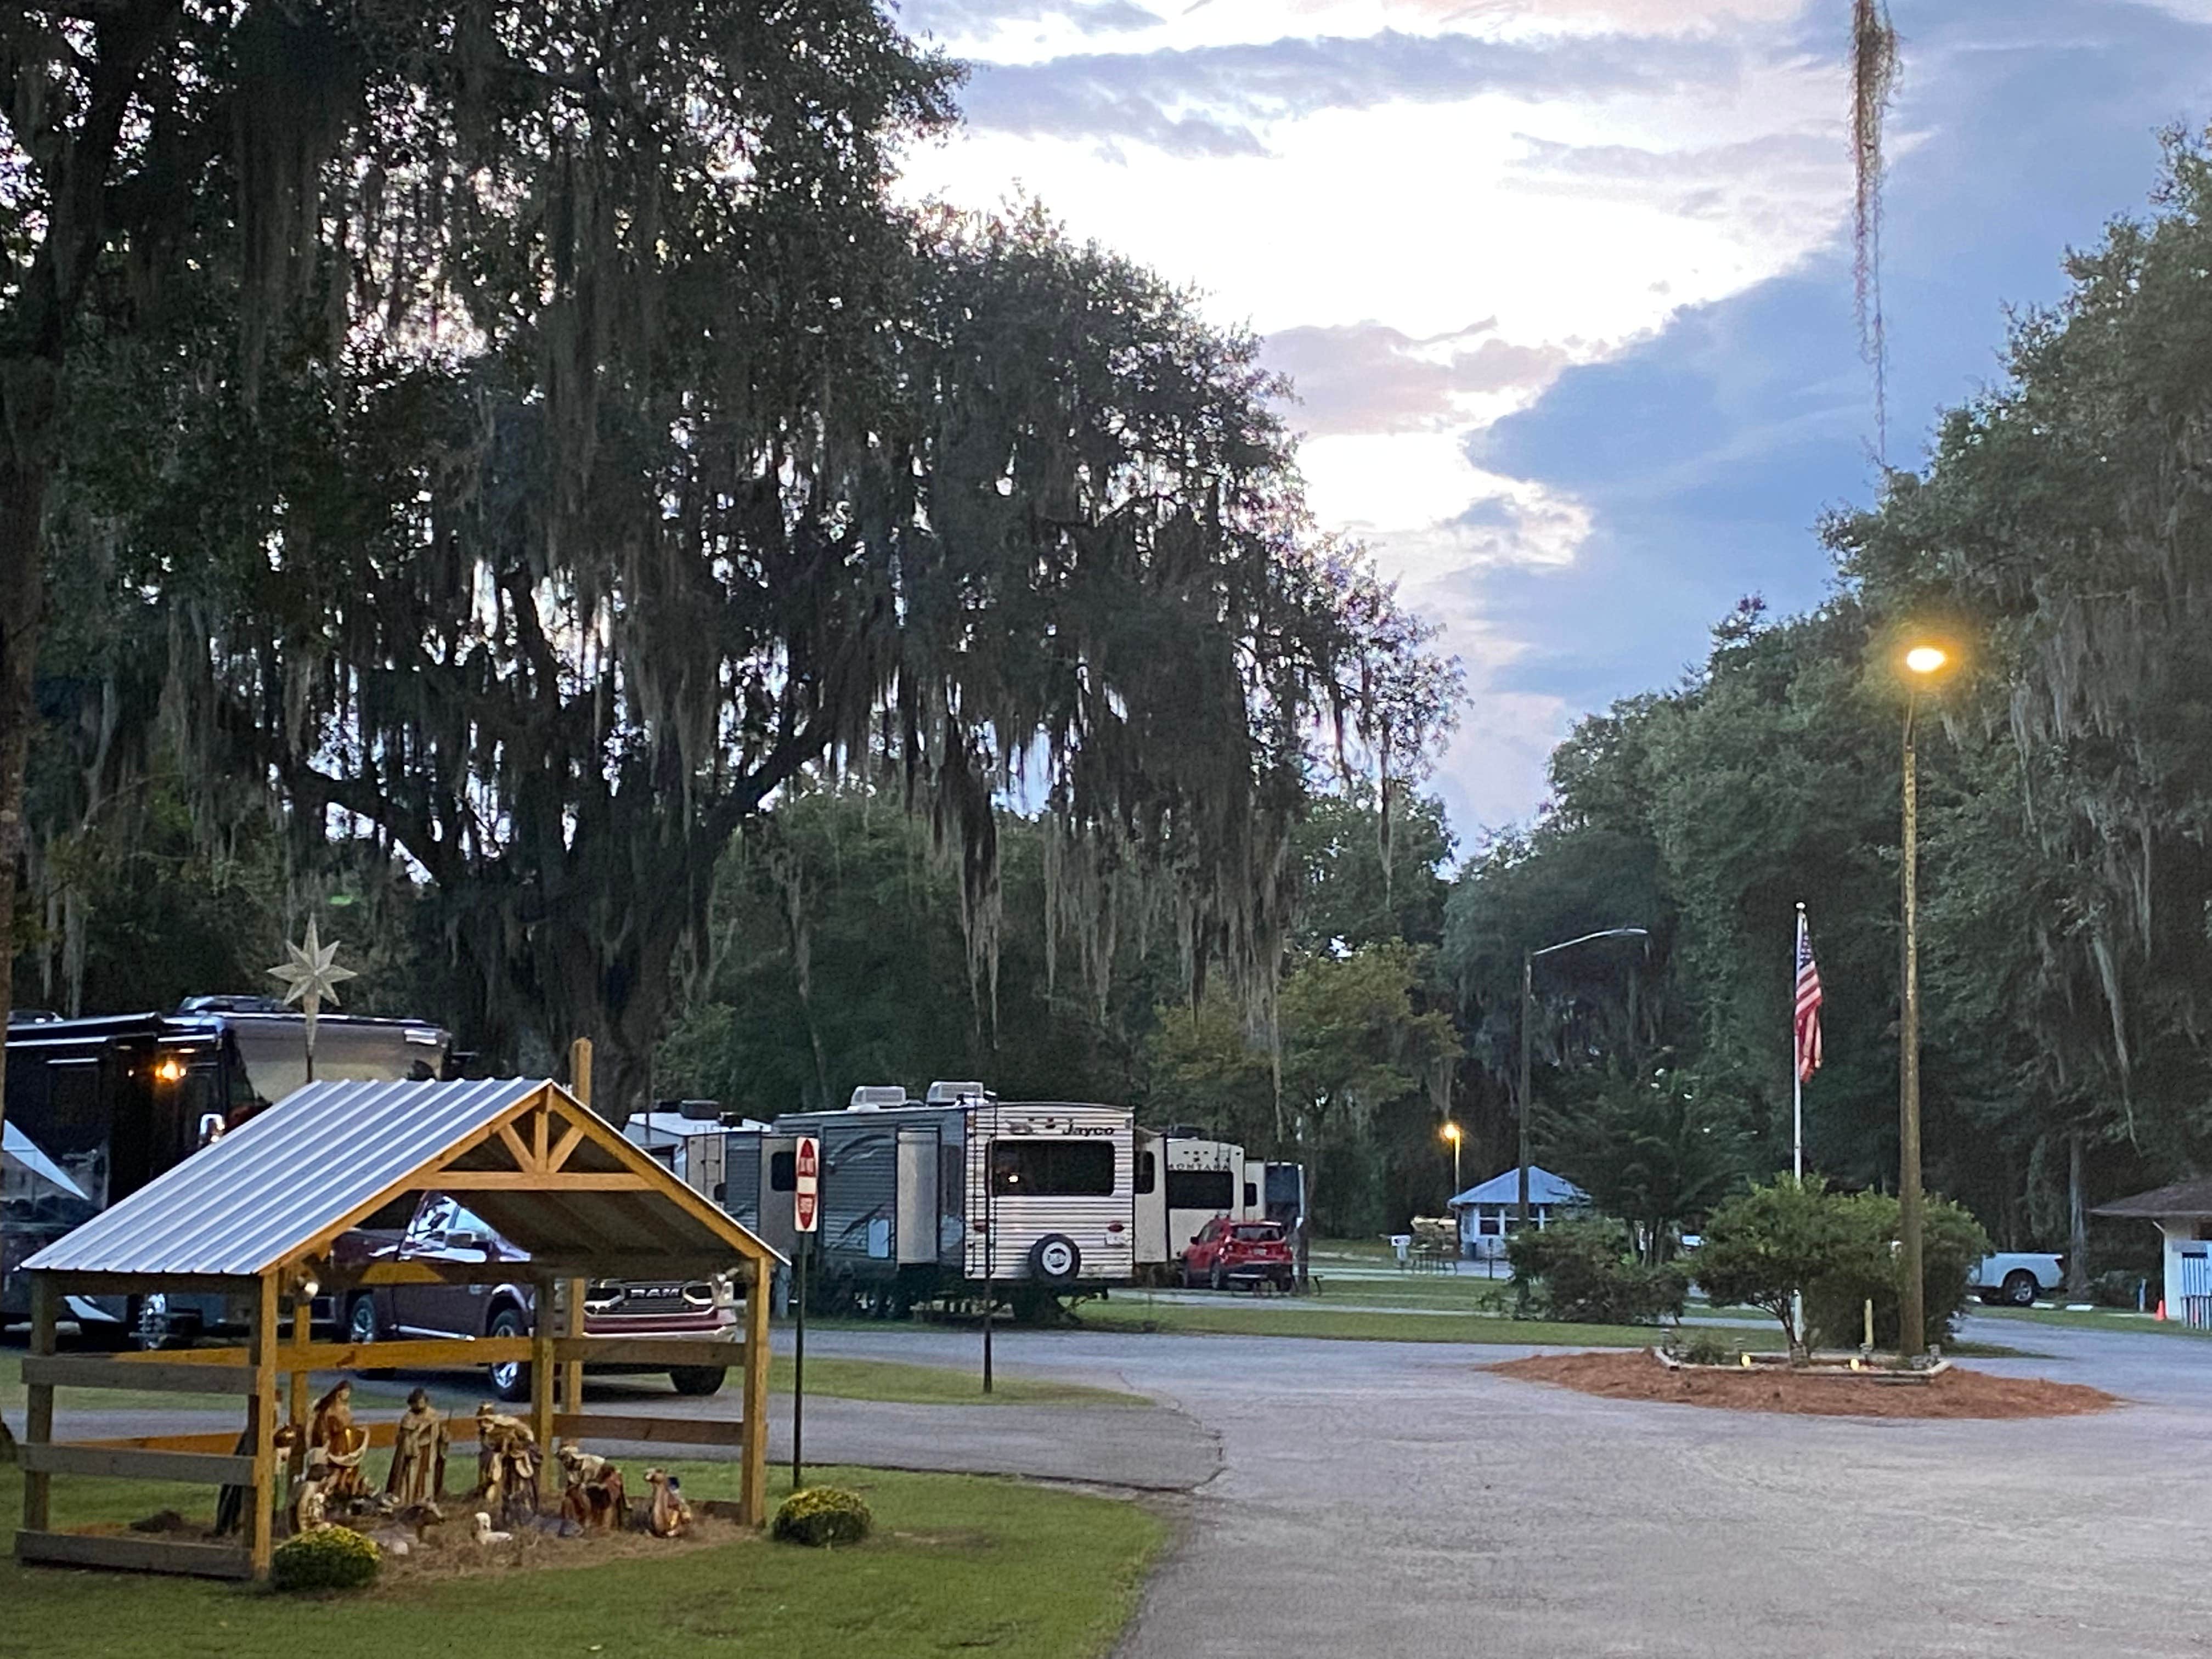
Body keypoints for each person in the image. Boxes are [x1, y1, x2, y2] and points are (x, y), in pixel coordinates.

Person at [384, 1388, 449, 1508]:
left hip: (430, 1451)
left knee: (427, 1475)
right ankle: (410, 1500)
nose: (420, 1405)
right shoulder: (409, 1418)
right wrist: (411, 1444)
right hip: (415, 1453)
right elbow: (404, 1438)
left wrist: (444, 1437)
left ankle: (426, 1497)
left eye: (422, 1402)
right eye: (418, 1402)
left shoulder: (433, 1415)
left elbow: (439, 1433)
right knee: (412, 1475)